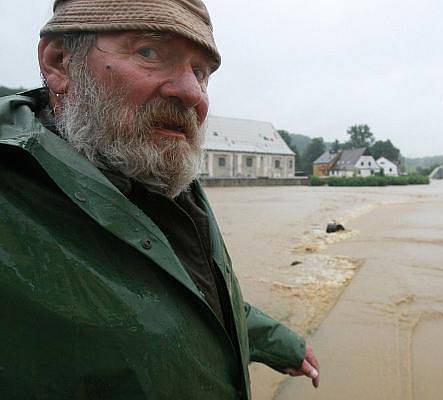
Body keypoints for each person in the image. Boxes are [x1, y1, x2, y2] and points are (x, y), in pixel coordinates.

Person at [0, 0, 319, 398]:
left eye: (201, 72)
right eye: (149, 52)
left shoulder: (158, 171)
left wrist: (278, 342)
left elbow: (189, 303)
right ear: (59, 62)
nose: (190, 92)